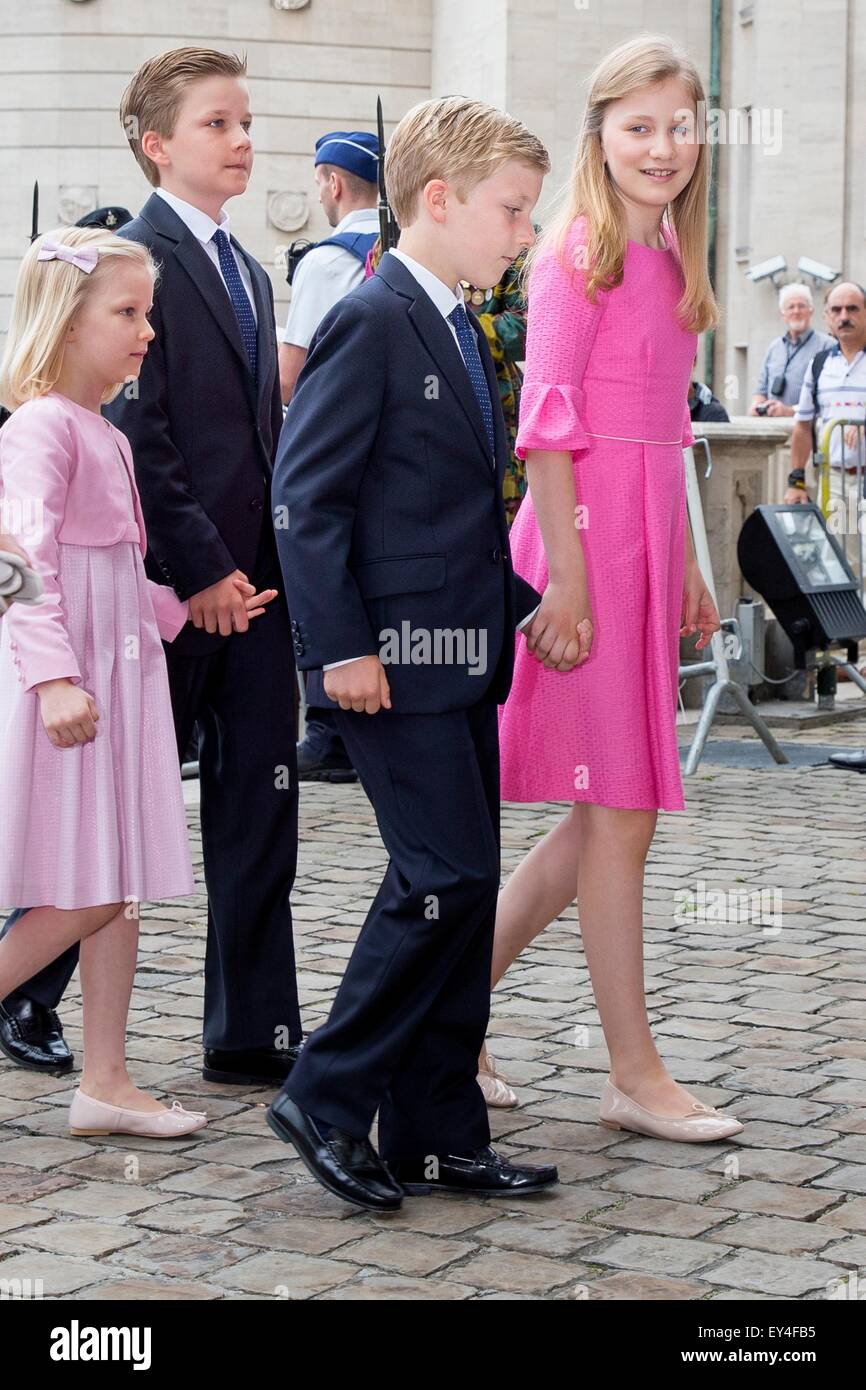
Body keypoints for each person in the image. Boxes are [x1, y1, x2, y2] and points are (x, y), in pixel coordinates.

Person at [267, 96, 562, 1210]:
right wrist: (336, 654)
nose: (523, 234)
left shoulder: (443, 313)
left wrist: (525, 605)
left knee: (458, 886)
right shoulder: (372, 313)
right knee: (439, 879)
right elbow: (308, 499)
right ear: (436, 201)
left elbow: (437, 510)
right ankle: (326, 1094)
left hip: (456, 656)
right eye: (511, 211)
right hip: (388, 665)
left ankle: (436, 1134)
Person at [0, 47, 305, 1088]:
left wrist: (249, 574)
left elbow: (258, 437)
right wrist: (201, 572)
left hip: (234, 594)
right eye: (217, 123)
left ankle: (251, 1032)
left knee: (258, 805)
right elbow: (149, 437)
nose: (242, 140)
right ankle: (24, 993)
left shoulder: (253, 272)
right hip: (151, 598)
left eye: (246, 121)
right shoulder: (128, 261)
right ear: (157, 144)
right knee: (95, 820)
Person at [489, 35, 745, 1143]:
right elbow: (544, 429)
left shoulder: (670, 257)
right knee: (618, 815)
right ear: (600, 132)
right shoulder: (578, 249)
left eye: (677, 125)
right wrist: (574, 583)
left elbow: (665, 426)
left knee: (597, 818)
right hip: (578, 547)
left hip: (641, 546)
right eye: (637, 126)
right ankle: (630, 1073)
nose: (661, 146)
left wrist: (686, 561)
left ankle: (439, 1017)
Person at [283, 130, 381, 785]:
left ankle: (328, 727)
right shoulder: (402, 250)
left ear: (333, 183)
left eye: (319, 182)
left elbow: (293, 373)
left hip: (333, 444)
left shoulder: (325, 261)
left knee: (322, 565)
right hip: (396, 447)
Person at [750, 283, 834, 418]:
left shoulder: (827, 346)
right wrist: (756, 406)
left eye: (801, 306)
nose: (796, 311)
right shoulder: (774, 347)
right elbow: (761, 390)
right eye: (791, 307)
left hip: (808, 427)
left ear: (811, 311)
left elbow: (829, 395)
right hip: (771, 427)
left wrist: (791, 411)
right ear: (782, 314)